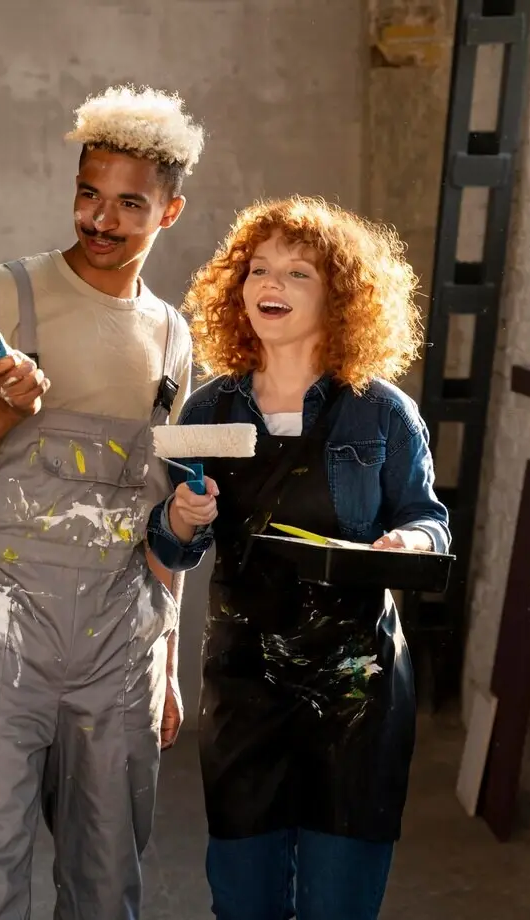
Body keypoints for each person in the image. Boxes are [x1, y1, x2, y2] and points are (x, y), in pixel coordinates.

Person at [0, 85, 206, 920]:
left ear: (169, 211)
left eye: (129, 204)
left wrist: (167, 664)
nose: (101, 220)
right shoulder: (8, 296)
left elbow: (166, 516)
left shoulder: (173, 336)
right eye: (88, 195)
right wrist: (6, 408)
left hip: (122, 643)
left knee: (108, 886)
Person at [145, 196, 450, 920]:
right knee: (243, 898)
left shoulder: (381, 412)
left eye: (297, 272)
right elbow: (168, 548)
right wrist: (181, 519)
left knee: (338, 904)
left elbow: (427, 518)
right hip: (244, 683)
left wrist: (408, 542)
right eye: (257, 269)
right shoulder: (208, 413)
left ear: (341, 295)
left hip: (356, 689)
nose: (269, 285)